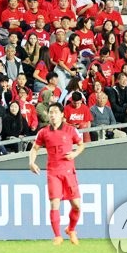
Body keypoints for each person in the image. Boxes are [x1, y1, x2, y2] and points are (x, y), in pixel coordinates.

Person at [29, 104, 86, 245]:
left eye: (55, 112)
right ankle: (57, 236)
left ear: (62, 115)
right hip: (53, 172)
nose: (52, 115)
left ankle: (71, 229)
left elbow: (82, 145)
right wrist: (31, 162)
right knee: (54, 203)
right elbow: (34, 149)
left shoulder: (70, 130)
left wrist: (74, 153)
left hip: (68, 172)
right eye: (50, 112)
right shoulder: (43, 132)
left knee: (77, 205)